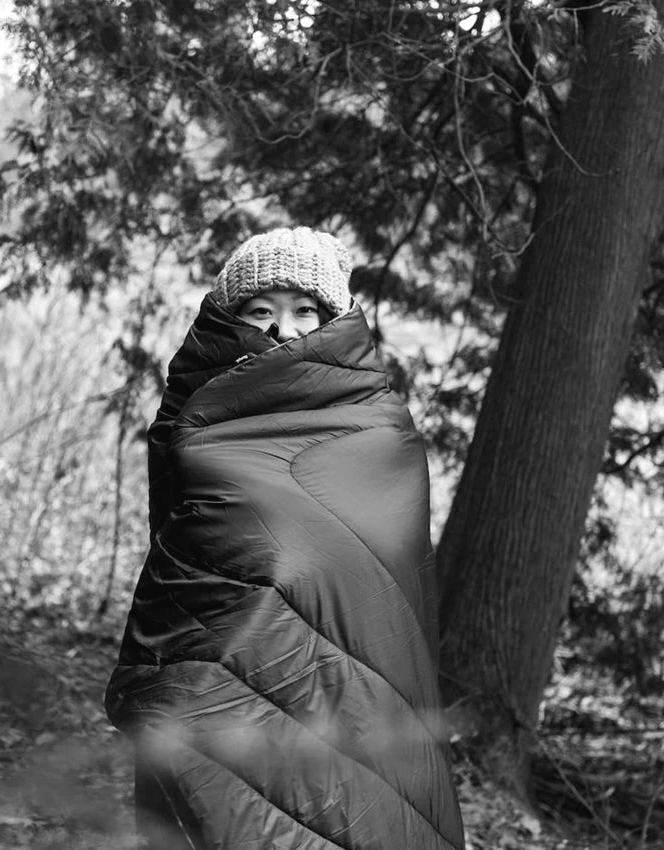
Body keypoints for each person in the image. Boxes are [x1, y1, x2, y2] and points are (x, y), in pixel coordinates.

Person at [105, 226, 465, 850]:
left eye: (305, 311)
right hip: (214, 665)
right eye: (260, 311)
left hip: (346, 690)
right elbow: (183, 539)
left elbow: (385, 579)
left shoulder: (378, 429)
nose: (284, 329)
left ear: (335, 318)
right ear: (230, 315)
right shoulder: (192, 411)